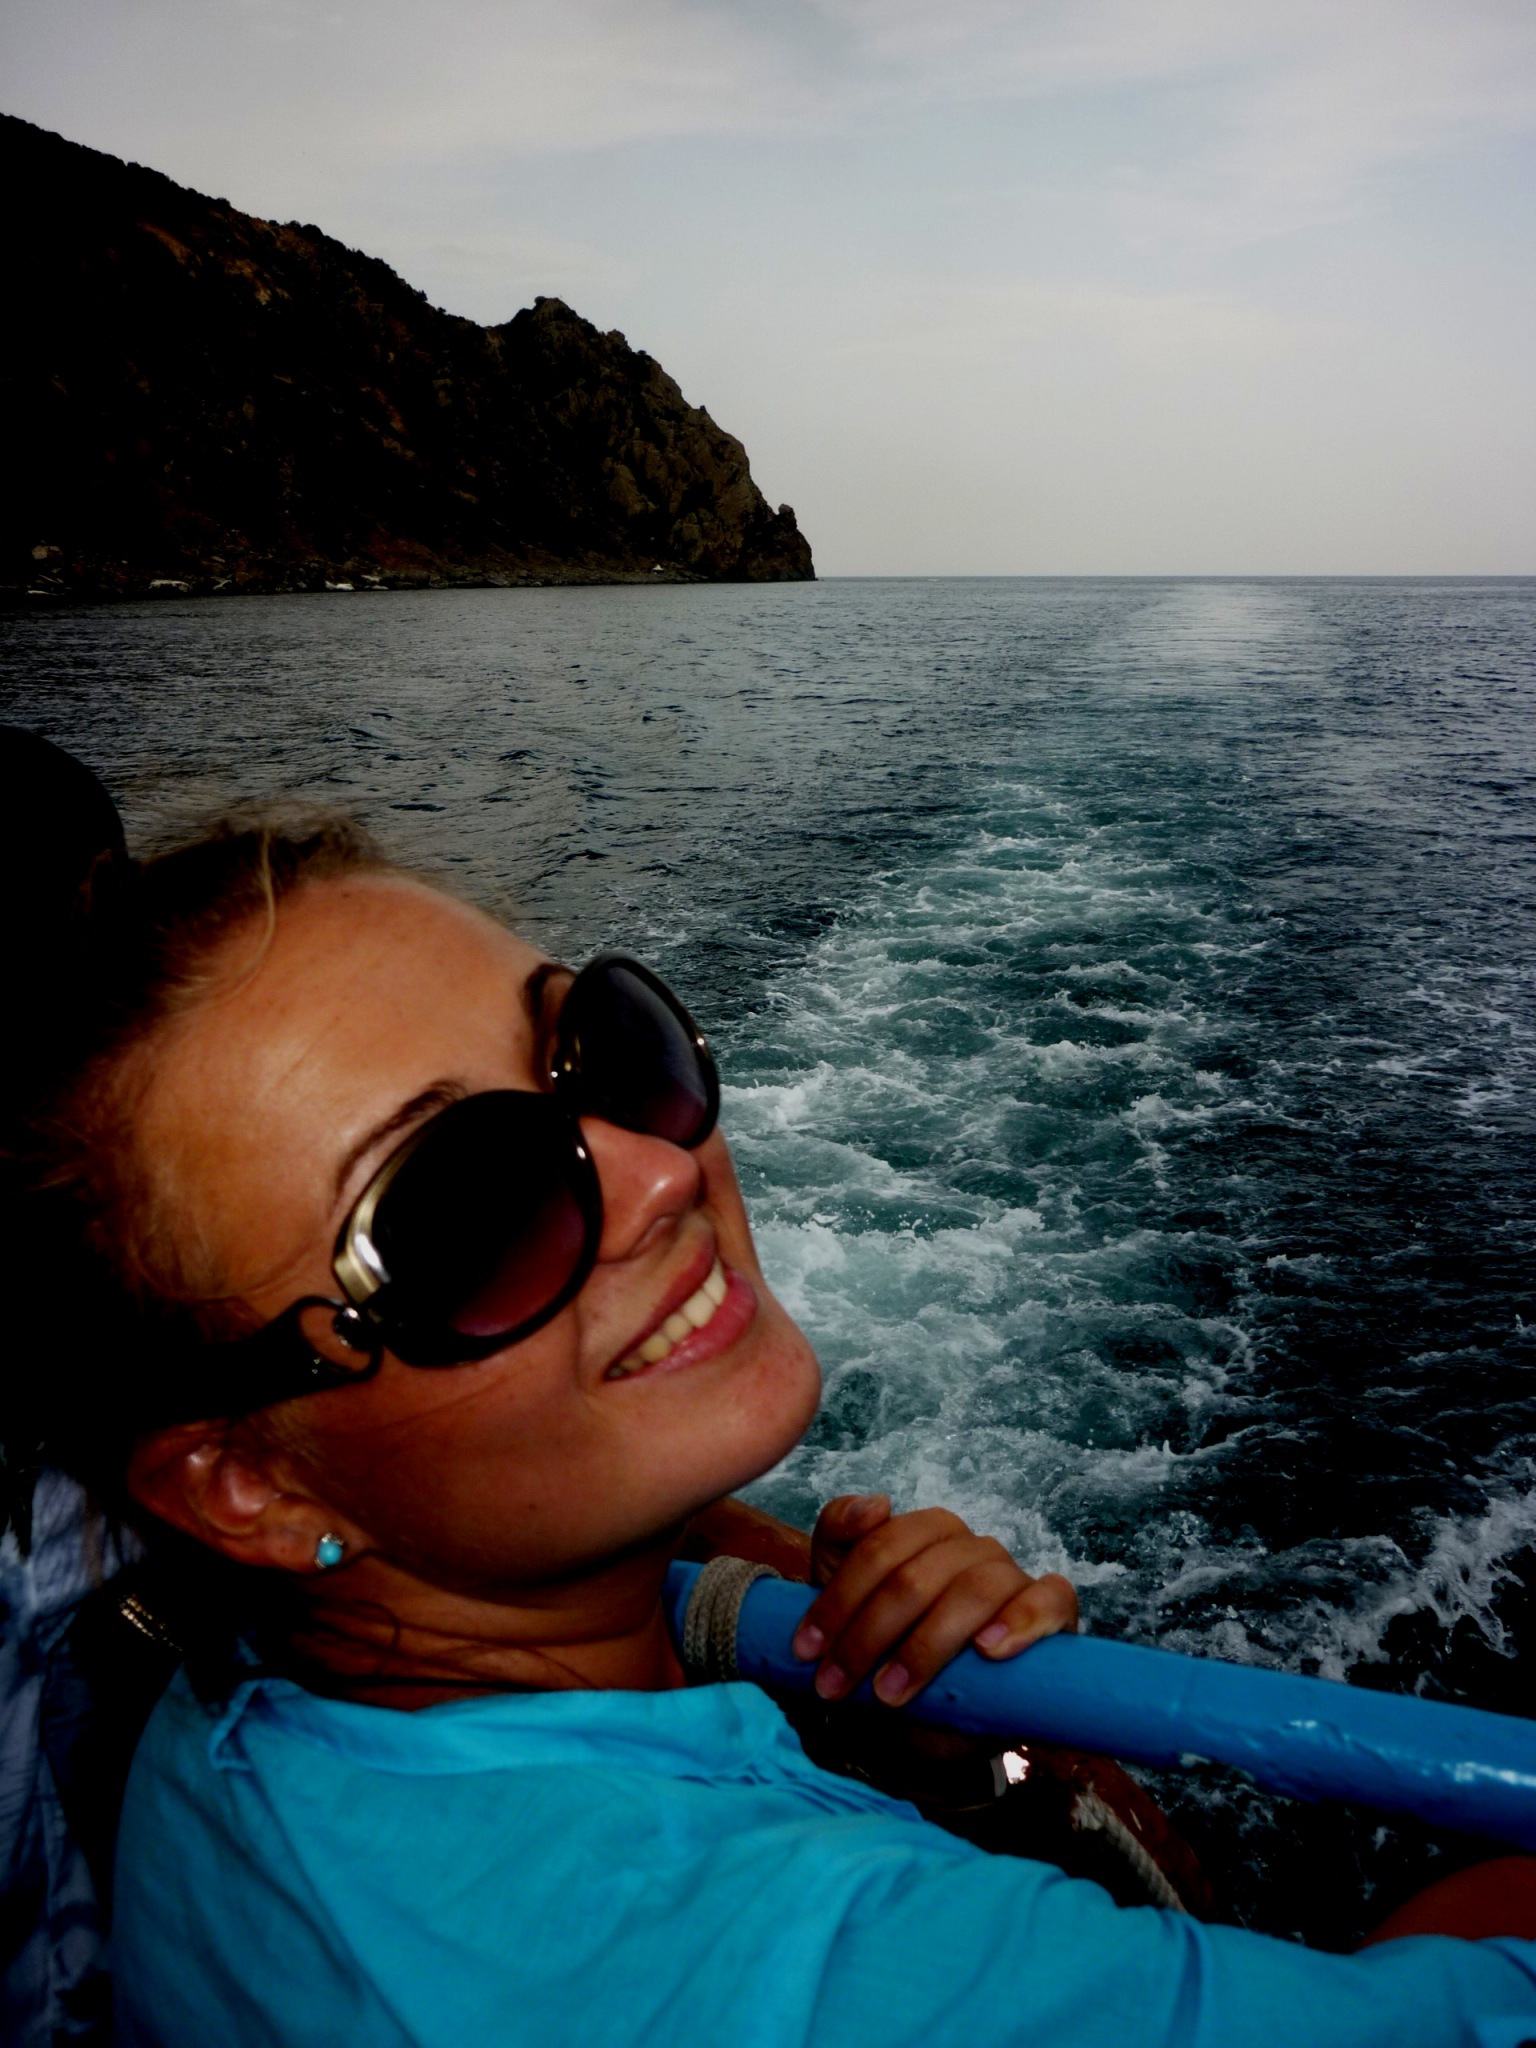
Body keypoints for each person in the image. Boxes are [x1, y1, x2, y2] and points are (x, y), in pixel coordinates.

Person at [3, 729, 1534, 2048]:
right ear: (241, 1484)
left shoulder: (222, 1732)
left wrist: (941, 1764)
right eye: (462, 1212)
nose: (662, 1174)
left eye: (596, 1047)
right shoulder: (807, 1970)